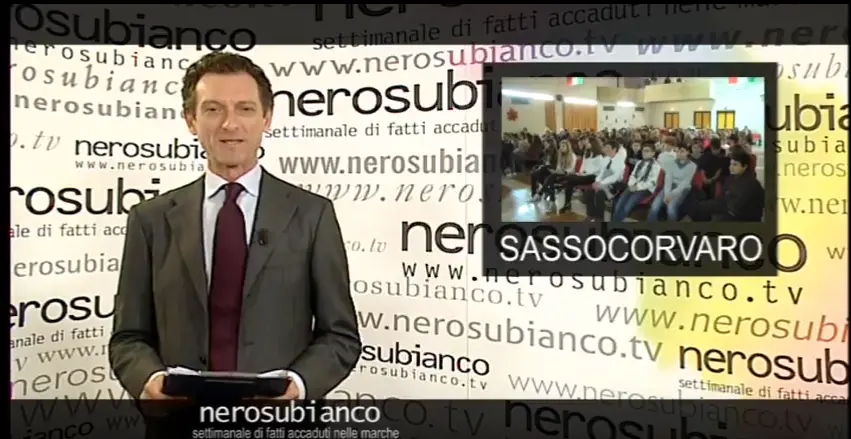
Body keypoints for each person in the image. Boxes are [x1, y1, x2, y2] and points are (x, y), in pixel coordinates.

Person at [108, 52, 362, 422]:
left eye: (245, 108)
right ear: (191, 120)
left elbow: (340, 337)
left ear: (266, 118)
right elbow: (128, 337)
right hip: (180, 424)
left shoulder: (313, 214)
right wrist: (147, 379)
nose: (230, 124)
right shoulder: (149, 219)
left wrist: (297, 386)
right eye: (213, 109)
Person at [690, 150, 765, 222]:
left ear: (744, 166)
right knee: (699, 206)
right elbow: (724, 196)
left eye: (735, 164)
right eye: (730, 164)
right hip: (727, 205)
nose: (731, 167)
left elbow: (736, 206)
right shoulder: (732, 177)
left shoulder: (750, 183)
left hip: (741, 216)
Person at [611, 142, 662, 221]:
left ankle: (616, 222)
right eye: (643, 151)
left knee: (627, 206)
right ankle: (615, 222)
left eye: (647, 151)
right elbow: (633, 175)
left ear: (653, 153)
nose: (644, 153)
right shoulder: (639, 162)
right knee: (619, 203)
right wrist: (631, 185)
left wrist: (637, 187)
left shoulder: (656, 166)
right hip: (633, 186)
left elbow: (652, 181)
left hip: (645, 189)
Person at [648, 144, 696, 221]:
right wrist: (667, 193)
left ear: (687, 152)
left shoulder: (692, 166)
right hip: (669, 186)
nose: (679, 153)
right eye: (677, 151)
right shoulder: (671, 163)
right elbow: (668, 179)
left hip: (683, 188)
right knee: (654, 206)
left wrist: (671, 195)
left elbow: (684, 183)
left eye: (682, 151)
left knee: (671, 208)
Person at [583, 140, 627, 221]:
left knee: (599, 194)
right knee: (588, 191)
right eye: (605, 147)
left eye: (608, 147)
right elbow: (601, 173)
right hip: (602, 183)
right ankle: (591, 214)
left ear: (614, 149)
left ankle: (600, 218)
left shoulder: (620, 162)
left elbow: (614, 178)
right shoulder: (606, 159)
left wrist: (601, 183)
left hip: (613, 186)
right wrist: (597, 181)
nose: (605, 149)